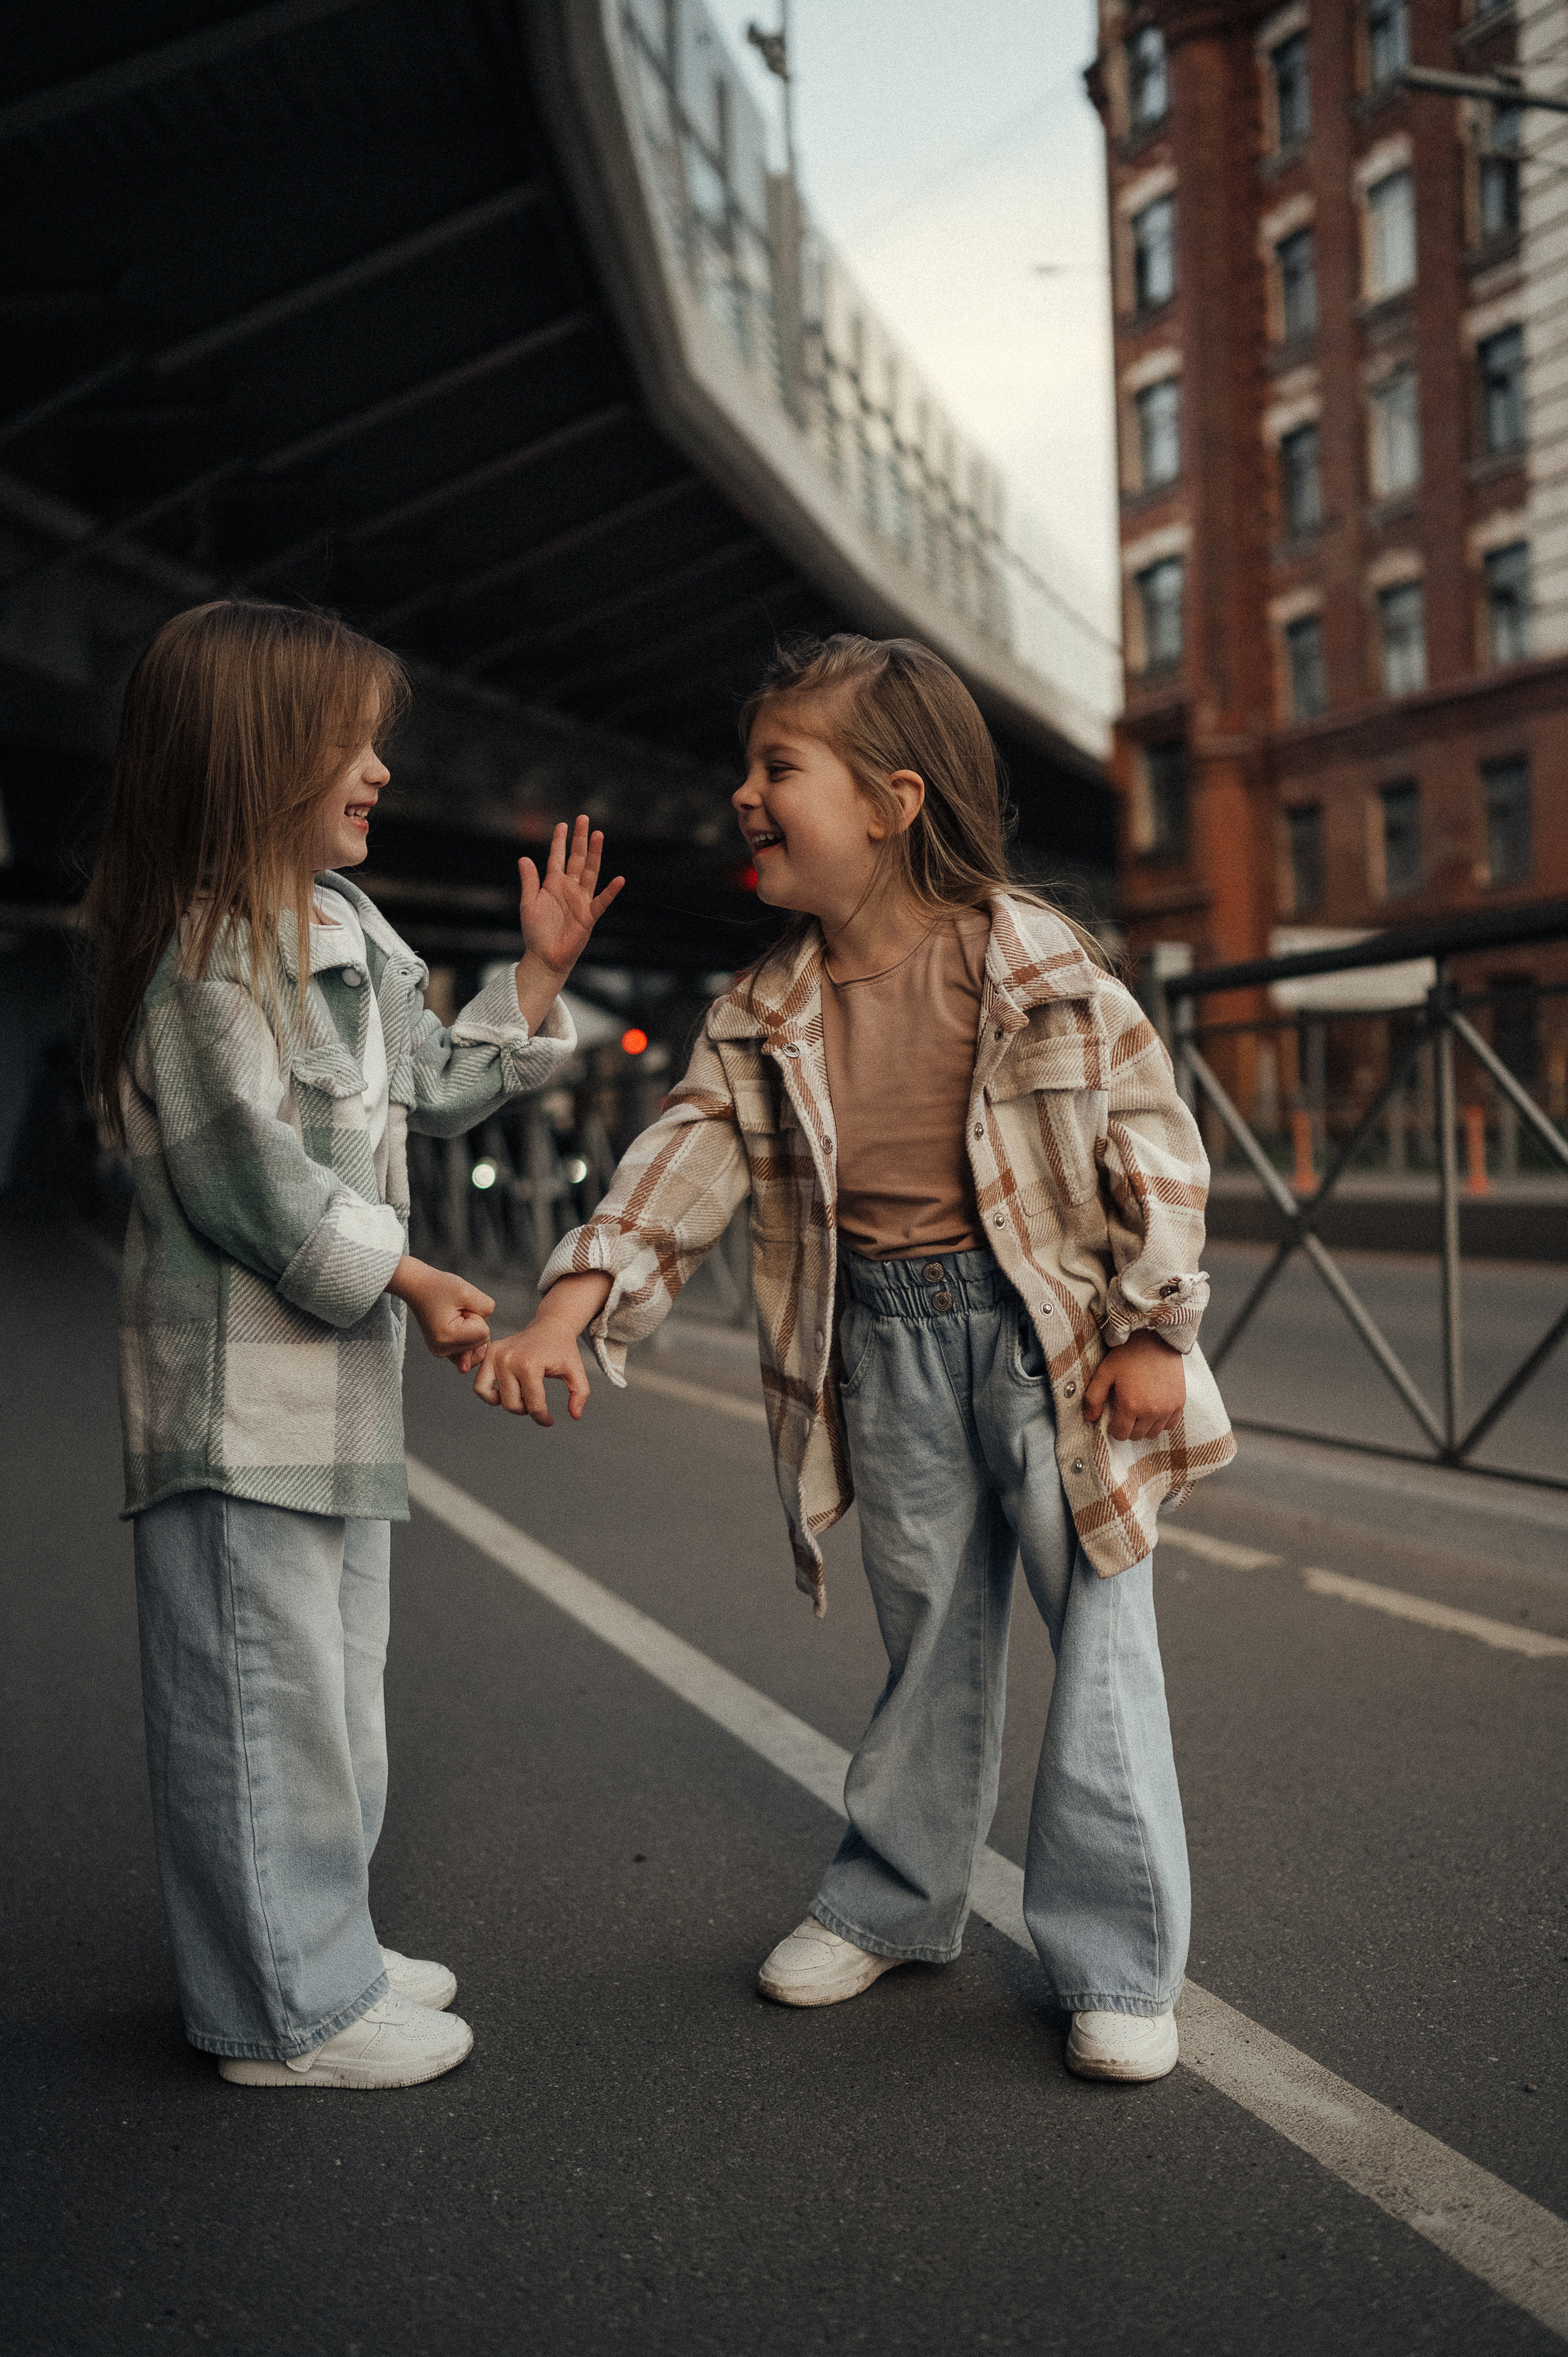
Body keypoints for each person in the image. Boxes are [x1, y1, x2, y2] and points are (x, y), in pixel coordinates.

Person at [477, 632, 1235, 2085]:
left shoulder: (1031, 958)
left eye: (778, 767)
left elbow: (1152, 1143)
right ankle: (893, 1901)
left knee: (1101, 1651)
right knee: (928, 1640)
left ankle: (1118, 1963)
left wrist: (1155, 1327)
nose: (742, 793)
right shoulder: (762, 1010)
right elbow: (680, 1159)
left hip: (1054, 1349)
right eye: (746, 767)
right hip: (885, 1348)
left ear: (892, 802)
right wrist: (572, 1301)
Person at [84, 599, 622, 2090]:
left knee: (333, 1699)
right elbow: (251, 1186)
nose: (381, 769)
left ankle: (326, 1947)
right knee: (261, 1712)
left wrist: (536, 978)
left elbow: (433, 1085)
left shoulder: (349, 926)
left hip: (333, 1401)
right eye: (351, 743)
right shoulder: (206, 963)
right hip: (235, 1403)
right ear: (255, 759)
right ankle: (284, 2014)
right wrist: (414, 1275)